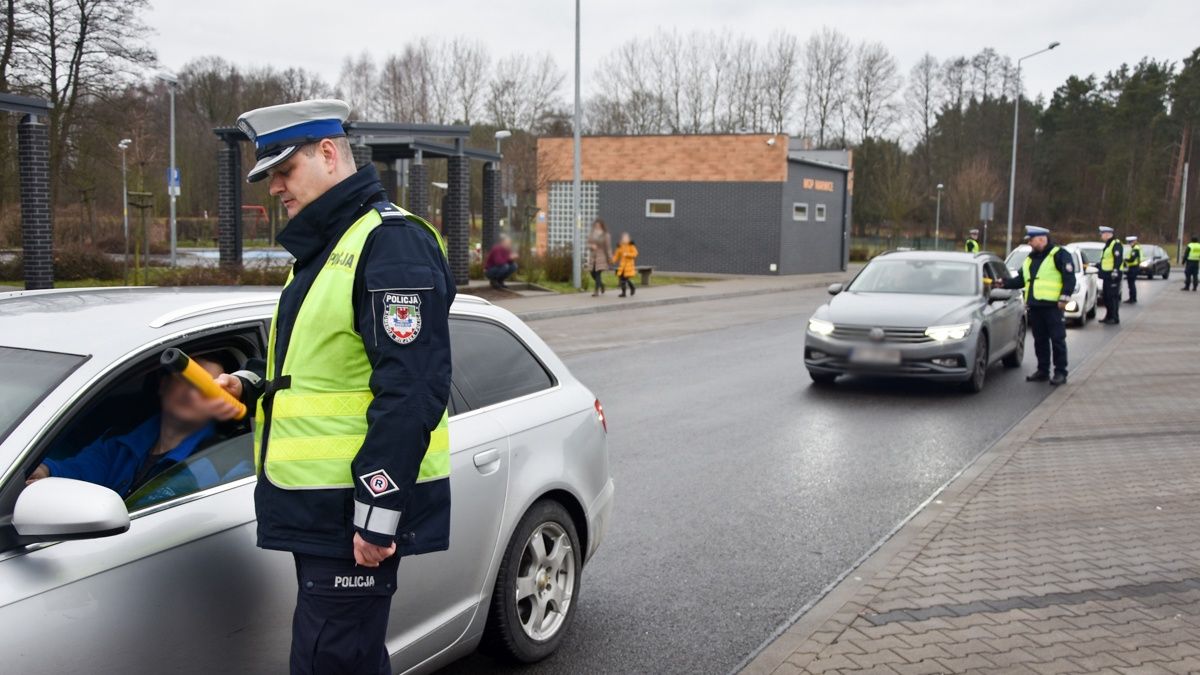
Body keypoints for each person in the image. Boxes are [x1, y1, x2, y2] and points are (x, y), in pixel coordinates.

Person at [212, 99, 454, 675]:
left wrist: (378, 509)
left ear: (327, 154)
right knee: (348, 661)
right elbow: (323, 368)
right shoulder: (325, 250)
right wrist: (249, 386)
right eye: (269, 176)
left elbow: (414, 387)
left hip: (351, 516)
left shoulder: (388, 242)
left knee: (331, 663)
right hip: (320, 512)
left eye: (283, 171)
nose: (275, 188)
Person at [26, 356, 225, 495]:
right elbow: (79, 471)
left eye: (206, 388)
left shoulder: (219, 460)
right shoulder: (120, 441)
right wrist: (45, 470)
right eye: (185, 380)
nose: (191, 393)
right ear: (163, 385)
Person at [997, 225, 1075, 386]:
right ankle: (1043, 370)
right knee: (1040, 340)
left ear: (1042, 239)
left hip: (1053, 307)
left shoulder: (1059, 255)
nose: (1030, 243)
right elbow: (1021, 280)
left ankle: (1060, 372)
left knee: (1057, 340)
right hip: (1035, 305)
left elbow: (1069, 278)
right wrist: (1004, 283)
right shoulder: (1030, 258)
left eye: (1031, 240)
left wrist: (1064, 298)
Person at [1097, 225, 1123, 324]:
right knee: (1106, 297)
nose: (1101, 236)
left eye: (1102, 234)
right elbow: (1105, 260)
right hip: (1107, 275)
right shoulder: (1108, 244)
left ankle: (1114, 317)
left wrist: (1115, 271)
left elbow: (1118, 258)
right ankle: (1108, 316)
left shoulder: (1115, 244)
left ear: (1107, 234)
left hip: (1113, 275)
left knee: (1112, 297)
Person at [588, 218, 612, 297]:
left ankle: (596, 291)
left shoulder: (606, 235)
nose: (597, 226)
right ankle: (602, 285)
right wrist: (591, 246)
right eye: (596, 225)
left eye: (599, 225)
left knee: (597, 274)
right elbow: (588, 244)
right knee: (592, 273)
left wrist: (610, 257)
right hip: (593, 257)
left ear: (602, 226)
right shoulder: (592, 234)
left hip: (602, 257)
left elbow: (608, 247)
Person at [611, 232, 639, 298]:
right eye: (623, 238)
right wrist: (612, 261)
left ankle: (631, 288)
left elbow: (635, 254)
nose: (624, 239)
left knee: (625, 279)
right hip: (622, 266)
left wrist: (627, 254)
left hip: (629, 265)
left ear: (628, 238)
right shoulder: (620, 246)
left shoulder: (631, 246)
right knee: (622, 279)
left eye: (626, 238)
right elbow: (616, 256)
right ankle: (624, 292)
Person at [1122, 234, 1141, 304]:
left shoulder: (1135, 249)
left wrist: (1125, 260)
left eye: (1130, 242)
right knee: (1131, 284)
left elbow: (1132, 259)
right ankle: (1132, 298)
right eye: (1129, 242)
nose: (1129, 244)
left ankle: (1132, 298)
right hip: (1133, 268)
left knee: (1131, 284)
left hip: (1134, 268)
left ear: (1134, 242)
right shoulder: (1135, 248)